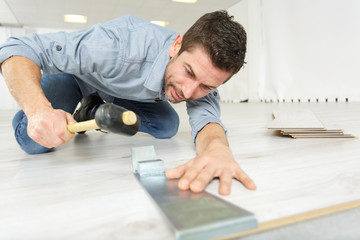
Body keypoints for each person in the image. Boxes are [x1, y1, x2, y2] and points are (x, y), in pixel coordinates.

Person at [0, 10, 256, 195]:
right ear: (176, 46)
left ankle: (93, 110)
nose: (189, 91)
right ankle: (69, 106)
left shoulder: (206, 72)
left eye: (206, 86)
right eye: (188, 72)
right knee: (32, 142)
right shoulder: (118, 46)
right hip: (76, 77)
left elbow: (207, 120)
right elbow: (16, 47)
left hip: (115, 91)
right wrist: (39, 111)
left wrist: (218, 150)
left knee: (166, 125)